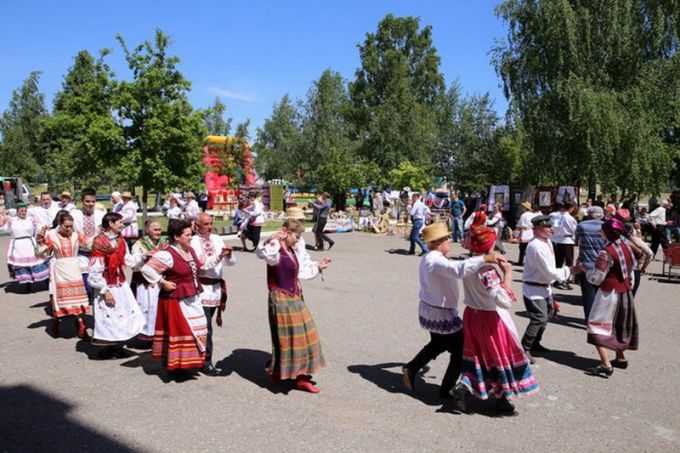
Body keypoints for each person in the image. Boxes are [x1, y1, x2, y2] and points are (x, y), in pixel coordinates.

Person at [402, 222, 500, 398]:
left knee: (438, 343)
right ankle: (446, 388)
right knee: (459, 351)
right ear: (438, 242)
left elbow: (456, 267)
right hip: (440, 312)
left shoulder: (431, 257)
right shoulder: (435, 259)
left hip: (433, 309)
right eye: (447, 239)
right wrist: (484, 259)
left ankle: (411, 368)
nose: (449, 242)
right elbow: (457, 270)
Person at [454, 226, 538, 415]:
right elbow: (503, 301)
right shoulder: (487, 271)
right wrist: (507, 274)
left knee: (479, 356)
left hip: (472, 315)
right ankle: (501, 399)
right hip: (490, 318)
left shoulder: (470, 263)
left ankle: (465, 386)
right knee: (498, 357)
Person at [256, 219, 331, 393]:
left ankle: (300, 376)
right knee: (288, 338)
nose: (298, 240)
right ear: (286, 232)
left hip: (295, 296)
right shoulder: (275, 250)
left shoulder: (292, 250)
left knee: (307, 335)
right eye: (296, 236)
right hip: (281, 298)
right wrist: (271, 239)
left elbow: (301, 270)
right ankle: (283, 373)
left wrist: (319, 267)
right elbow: (263, 254)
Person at [141, 219, 209, 376]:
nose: (191, 237)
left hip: (192, 297)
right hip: (175, 299)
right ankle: (176, 366)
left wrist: (220, 257)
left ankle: (185, 363)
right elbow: (147, 269)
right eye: (188, 235)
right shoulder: (167, 255)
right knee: (180, 331)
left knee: (198, 328)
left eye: (191, 234)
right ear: (176, 237)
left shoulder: (190, 251)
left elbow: (202, 265)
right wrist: (162, 281)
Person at [520, 215, 580, 363]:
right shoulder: (536, 246)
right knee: (539, 317)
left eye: (550, 226)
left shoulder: (547, 242)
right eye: (547, 227)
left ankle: (535, 342)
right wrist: (571, 271)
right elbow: (549, 272)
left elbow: (550, 271)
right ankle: (524, 349)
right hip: (533, 288)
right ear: (537, 229)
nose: (551, 229)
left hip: (543, 286)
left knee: (549, 313)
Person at [584, 218, 639, 377]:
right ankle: (620, 358)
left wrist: (586, 271)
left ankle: (605, 364)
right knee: (618, 323)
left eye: (602, 230)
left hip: (609, 293)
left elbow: (597, 278)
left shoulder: (605, 252)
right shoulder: (626, 247)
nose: (600, 231)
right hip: (625, 291)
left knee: (596, 325)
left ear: (607, 232)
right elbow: (631, 270)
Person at [87, 212, 145, 359]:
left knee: (122, 313)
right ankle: (105, 349)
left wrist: (144, 256)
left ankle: (117, 346)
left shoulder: (120, 241)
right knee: (108, 315)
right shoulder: (99, 243)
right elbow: (94, 272)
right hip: (106, 284)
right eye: (119, 222)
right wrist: (104, 290)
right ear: (111, 224)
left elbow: (128, 260)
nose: (122, 225)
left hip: (120, 283)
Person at [190, 213, 236, 376]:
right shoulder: (193, 241)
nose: (209, 227)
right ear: (196, 225)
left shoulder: (216, 238)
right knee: (204, 327)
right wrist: (219, 257)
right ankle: (205, 361)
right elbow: (202, 266)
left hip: (216, 288)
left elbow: (230, 263)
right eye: (205, 224)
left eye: (210, 223)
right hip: (202, 288)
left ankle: (202, 359)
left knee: (207, 327)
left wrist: (228, 255)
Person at [35, 213, 91, 339]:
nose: (69, 229)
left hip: (74, 269)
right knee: (59, 299)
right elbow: (39, 253)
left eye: (71, 226)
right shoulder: (52, 237)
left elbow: (91, 244)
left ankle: (82, 327)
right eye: (66, 226)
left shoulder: (77, 236)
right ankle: (56, 321)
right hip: (60, 269)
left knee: (80, 300)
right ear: (59, 225)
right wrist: (39, 241)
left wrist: (102, 237)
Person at [129, 219, 168, 342]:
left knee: (158, 308)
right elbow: (133, 264)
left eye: (159, 230)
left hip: (160, 280)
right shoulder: (139, 245)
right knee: (145, 307)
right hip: (143, 282)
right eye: (155, 230)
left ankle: (158, 334)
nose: (158, 232)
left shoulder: (164, 243)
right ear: (147, 231)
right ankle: (144, 335)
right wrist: (146, 256)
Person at [0, 202, 50, 292]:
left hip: (30, 243)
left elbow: (40, 227)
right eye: (21, 211)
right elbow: (4, 229)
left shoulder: (31, 220)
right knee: (24, 265)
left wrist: (45, 228)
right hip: (18, 245)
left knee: (38, 262)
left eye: (25, 211)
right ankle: (28, 284)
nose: (23, 212)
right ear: (17, 211)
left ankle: (46, 282)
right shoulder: (12, 221)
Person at [72, 188, 105, 302]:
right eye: (87, 201)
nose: (90, 204)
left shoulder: (101, 215)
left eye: (93, 201)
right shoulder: (74, 215)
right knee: (85, 278)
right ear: (82, 201)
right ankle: (87, 297)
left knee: (97, 276)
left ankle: (95, 298)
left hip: (97, 252)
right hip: (81, 251)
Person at [574, 206, 607, 319]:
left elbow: (576, 241)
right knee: (601, 295)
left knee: (588, 296)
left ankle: (589, 320)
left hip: (586, 264)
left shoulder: (581, 226)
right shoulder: (606, 227)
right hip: (603, 265)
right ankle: (599, 319)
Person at [552, 202, 578, 289]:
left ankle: (557, 279)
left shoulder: (556, 216)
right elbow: (574, 229)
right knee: (569, 261)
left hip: (558, 240)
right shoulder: (570, 218)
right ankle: (565, 280)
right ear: (571, 208)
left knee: (558, 261)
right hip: (567, 240)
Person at [624, 222, 652, 296]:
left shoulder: (618, 240)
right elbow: (650, 254)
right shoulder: (637, 241)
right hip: (636, 268)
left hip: (621, 269)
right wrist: (644, 267)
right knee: (631, 294)